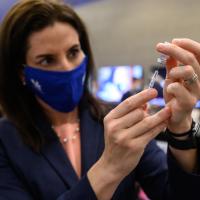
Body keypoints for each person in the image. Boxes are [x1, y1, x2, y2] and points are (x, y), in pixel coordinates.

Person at [0, 1, 199, 199]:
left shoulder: (117, 120)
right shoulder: (5, 140)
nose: (67, 68)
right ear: (21, 73)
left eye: (73, 52)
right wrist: (109, 169)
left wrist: (181, 127)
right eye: (47, 60)